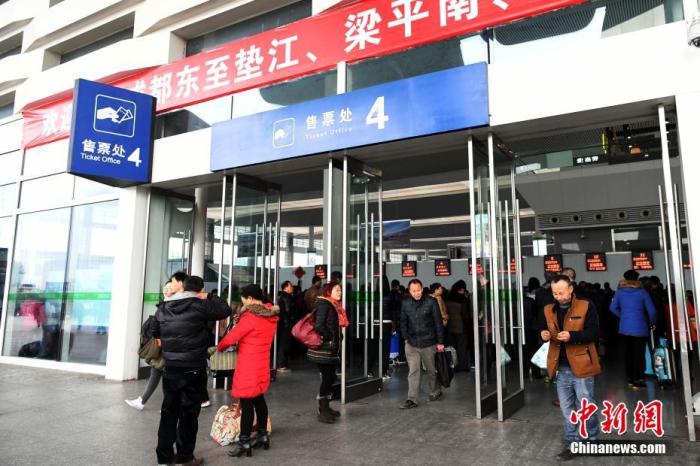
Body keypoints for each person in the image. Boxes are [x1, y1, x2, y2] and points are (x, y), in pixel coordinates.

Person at [152, 275, 231, 466]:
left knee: (168, 413)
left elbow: (155, 331)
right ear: (200, 290)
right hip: (193, 368)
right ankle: (184, 457)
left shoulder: (163, 307)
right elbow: (225, 310)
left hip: (171, 368)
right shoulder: (199, 305)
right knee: (188, 415)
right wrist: (209, 296)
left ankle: (164, 458)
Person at [540, 274, 601, 461]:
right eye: (554, 293)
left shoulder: (586, 305)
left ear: (571, 289)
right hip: (561, 366)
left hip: (582, 364)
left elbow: (594, 332)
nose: (558, 297)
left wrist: (572, 336)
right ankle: (572, 443)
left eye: (561, 293)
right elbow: (542, 329)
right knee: (567, 408)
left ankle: (591, 439)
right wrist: (543, 334)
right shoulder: (548, 309)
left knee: (586, 405)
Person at [217, 284, 279, 457]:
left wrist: (220, 347)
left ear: (250, 299)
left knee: (246, 402)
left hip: (248, 365)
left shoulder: (250, 317)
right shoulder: (271, 315)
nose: (243, 303)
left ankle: (244, 442)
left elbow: (231, 338)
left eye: (244, 300)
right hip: (262, 363)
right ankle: (262, 435)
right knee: (258, 398)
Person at [125, 279, 177, 411]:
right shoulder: (165, 304)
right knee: (157, 370)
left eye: (170, 288)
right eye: (165, 288)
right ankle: (143, 401)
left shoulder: (173, 306)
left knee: (166, 374)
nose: (166, 290)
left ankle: (167, 405)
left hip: (169, 344)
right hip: (163, 344)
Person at [399, 279, 445, 409]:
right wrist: (406, 338)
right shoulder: (405, 303)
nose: (416, 293)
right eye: (413, 291)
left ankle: (435, 391)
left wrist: (440, 342)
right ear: (409, 291)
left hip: (428, 343)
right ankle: (412, 399)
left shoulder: (431, 302)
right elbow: (403, 322)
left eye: (418, 290)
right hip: (412, 343)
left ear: (422, 289)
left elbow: (438, 323)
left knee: (431, 370)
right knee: (414, 371)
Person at [307, 281, 349, 423]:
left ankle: (326, 406)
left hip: (330, 349)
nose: (340, 292)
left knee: (330, 378)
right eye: (337, 290)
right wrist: (331, 337)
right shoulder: (325, 304)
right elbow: (319, 326)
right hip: (324, 350)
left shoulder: (333, 305)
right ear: (329, 291)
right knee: (327, 378)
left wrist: (337, 336)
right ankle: (322, 409)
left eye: (340, 290)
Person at [610, 269, 657, 389]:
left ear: (625, 279)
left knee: (628, 353)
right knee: (639, 353)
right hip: (640, 328)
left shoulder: (619, 292)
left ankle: (630, 378)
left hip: (624, 328)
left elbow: (612, 308)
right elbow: (652, 311)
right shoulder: (642, 292)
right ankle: (638, 379)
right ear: (637, 279)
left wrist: (623, 316)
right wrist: (651, 322)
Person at [277, 280, 296, 372]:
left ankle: (282, 364)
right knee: (284, 344)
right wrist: (289, 321)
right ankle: (282, 365)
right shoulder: (287, 297)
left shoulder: (282, 296)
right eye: (290, 286)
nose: (292, 288)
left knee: (283, 343)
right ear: (286, 288)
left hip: (283, 323)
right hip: (286, 324)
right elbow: (288, 311)